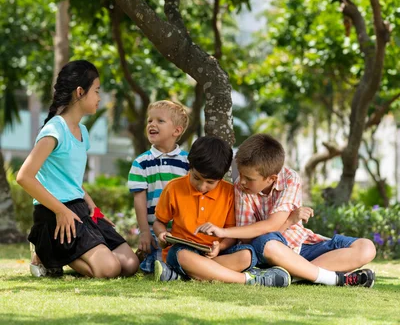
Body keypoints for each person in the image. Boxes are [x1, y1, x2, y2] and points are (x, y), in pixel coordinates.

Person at [196, 134, 376, 287]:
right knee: (267, 242)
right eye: (240, 174)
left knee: (366, 248)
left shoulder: (290, 179)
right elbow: (248, 238)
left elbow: (272, 224)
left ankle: (294, 274)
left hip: (301, 247)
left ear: (271, 178)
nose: (241, 181)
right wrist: (289, 221)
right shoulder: (241, 188)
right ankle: (332, 278)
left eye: (249, 178)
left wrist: (224, 231)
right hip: (269, 252)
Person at [17, 60, 139, 279]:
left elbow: (71, 181)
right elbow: (24, 177)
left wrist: (93, 207)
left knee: (130, 264)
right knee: (109, 269)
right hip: (54, 212)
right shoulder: (54, 130)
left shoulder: (82, 131)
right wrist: (61, 211)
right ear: (80, 92)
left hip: (79, 209)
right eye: (97, 91)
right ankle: (46, 251)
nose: (100, 98)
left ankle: (55, 252)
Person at [153, 135, 290, 286]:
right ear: (190, 167)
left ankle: (187, 274)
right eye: (196, 178)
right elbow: (160, 222)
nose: (202, 186)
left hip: (216, 254)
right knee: (181, 255)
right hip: (182, 251)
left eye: (210, 182)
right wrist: (161, 234)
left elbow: (231, 232)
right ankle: (248, 280)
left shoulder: (229, 192)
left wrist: (220, 247)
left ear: (221, 176)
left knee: (247, 255)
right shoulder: (174, 188)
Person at [128, 100, 190, 273]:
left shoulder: (188, 162)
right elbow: (139, 200)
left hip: (183, 232)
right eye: (149, 121)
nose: (152, 124)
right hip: (155, 233)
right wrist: (144, 232)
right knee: (154, 264)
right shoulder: (141, 163)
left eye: (160, 121)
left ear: (176, 131)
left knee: (182, 260)